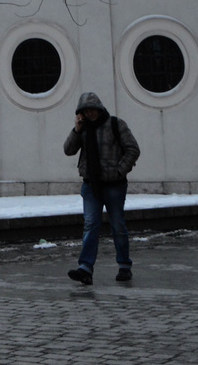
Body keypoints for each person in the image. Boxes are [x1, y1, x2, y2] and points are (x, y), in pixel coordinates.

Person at [63, 91, 141, 286]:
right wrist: (77, 130)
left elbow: (133, 149)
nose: (89, 114)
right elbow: (68, 150)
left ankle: (124, 266)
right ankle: (85, 269)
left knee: (117, 226)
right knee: (90, 225)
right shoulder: (84, 129)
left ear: (99, 108)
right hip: (91, 185)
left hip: (114, 185)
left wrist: (118, 171)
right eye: (85, 111)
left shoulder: (116, 124)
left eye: (92, 110)